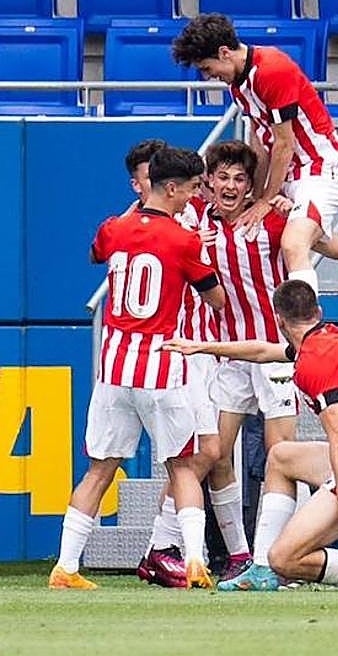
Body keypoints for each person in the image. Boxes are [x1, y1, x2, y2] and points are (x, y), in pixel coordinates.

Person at [163, 280, 338, 593]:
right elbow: (262, 351)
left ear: (279, 320)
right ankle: (260, 569)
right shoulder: (323, 337)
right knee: (280, 456)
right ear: (318, 312)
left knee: (285, 559)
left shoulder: (315, 361)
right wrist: (201, 346)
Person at [51, 147, 227, 590]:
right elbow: (217, 299)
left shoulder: (114, 227)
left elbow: (96, 253)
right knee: (183, 467)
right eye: (191, 189)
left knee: (99, 469)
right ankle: (194, 560)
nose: (194, 197)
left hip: (114, 368)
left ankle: (66, 566)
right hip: (161, 367)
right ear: (171, 188)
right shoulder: (184, 240)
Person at [171, 13, 338, 296]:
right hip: (290, 172)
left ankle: (304, 322)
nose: (208, 76)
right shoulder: (237, 83)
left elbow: (284, 143)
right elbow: (260, 139)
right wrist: (255, 195)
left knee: (292, 244)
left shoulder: (272, 69)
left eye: (207, 68)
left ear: (224, 53)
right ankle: (316, 231)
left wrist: (266, 200)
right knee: (335, 249)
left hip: (319, 168)